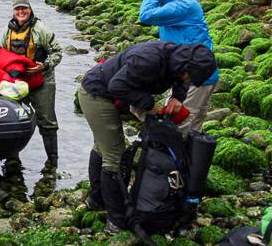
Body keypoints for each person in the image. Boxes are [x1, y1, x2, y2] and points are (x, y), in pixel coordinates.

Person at [77, 41, 216, 233]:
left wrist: (177, 97)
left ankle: (97, 199)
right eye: (189, 76)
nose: (188, 80)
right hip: (97, 93)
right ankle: (115, 219)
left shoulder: (177, 59)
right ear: (184, 66)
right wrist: (151, 105)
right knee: (115, 155)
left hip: (115, 93)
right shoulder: (148, 60)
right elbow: (117, 85)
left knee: (103, 146)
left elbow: (180, 80)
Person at [139, 0, 220, 135]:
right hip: (190, 74)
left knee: (178, 127)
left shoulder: (182, 6)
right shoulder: (176, 3)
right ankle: (189, 160)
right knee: (192, 128)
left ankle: (171, 159)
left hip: (194, 76)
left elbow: (146, 15)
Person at [0, 0, 62, 174]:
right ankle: (12, 158)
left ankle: (52, 162)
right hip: (18, 82)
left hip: (43, 80)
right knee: (14, 118)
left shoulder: (41, 29)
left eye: (24, 9)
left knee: (47, 122)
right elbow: (2, 55)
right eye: (18, 9)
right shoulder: (7, 31)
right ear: (13, 11)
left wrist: (46, 65)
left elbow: (58, 52)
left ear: (30, 9)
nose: (21, 12)